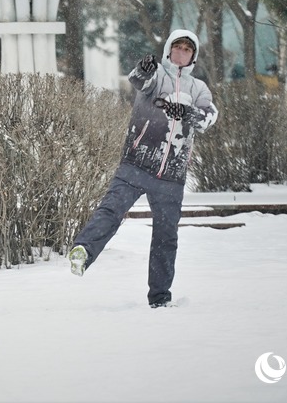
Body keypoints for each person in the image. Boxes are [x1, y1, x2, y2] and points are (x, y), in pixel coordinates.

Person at [68, 29, 218, 308]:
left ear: (193, 56)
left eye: (187, 50)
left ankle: (160, 297)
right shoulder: (157, 76)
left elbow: (208, 117)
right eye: (178, 48)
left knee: (166, 236)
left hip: (171, 175)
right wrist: (143, 68)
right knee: (111, 211)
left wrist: (189, 113)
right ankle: (83, 252)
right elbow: (139, 80)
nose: (181, 53)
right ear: (169, 50)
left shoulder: (198, 88)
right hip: (137, 163)